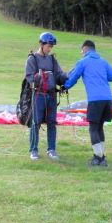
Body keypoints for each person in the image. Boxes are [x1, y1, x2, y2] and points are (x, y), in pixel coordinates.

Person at [64, 40, 112, 167]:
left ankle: (98, 158)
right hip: (107, 99)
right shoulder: (103, 61)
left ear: (85, 49)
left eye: (81, 50)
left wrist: (64, 87)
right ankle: (101, 156)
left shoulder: (83, 62)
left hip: (95, 100)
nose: (81, 53)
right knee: (99, 128)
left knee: (93, 128)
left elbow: (73, 78)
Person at [25, 32, 68, 160]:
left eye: (51, 47)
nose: (49, 49)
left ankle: (51, 149)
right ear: (41, 44)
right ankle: (33, 150)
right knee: (35, 123)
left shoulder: (52, 60)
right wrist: (38, 77)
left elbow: (59, 75)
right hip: (38, 96)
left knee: (52, 123)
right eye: (48, 46)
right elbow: (29, 78)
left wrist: (67, 77)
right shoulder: (32, 59)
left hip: (51, 96)